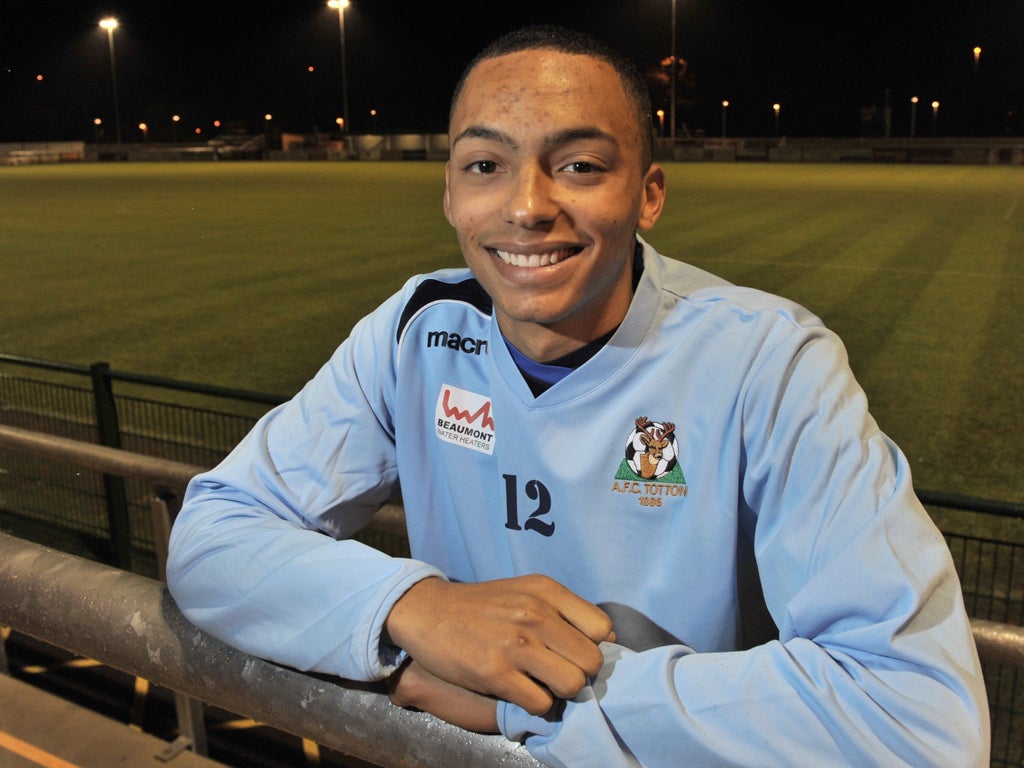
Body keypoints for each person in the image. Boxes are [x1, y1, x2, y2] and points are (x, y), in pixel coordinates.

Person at [167, 24, 989, 767]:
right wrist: (414, 606)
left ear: (649, 194)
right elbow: (212, 534)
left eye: (581, 166)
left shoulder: (766, 361)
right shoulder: (415, 331)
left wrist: (539, 701)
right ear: (451, 194)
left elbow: (916, 718)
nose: (527, 206)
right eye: (486, 165)